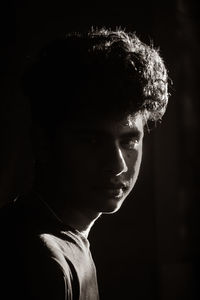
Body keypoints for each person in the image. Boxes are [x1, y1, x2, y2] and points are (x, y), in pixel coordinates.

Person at [0, 28, 169, 299]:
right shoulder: (41, 262)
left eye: (128, 142)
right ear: (43, 142)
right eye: (92, 141)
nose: (117, 166)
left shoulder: (61, 242)